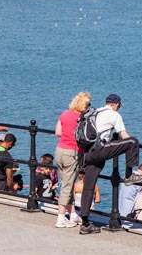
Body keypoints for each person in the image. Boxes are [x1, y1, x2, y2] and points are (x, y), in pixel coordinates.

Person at [80, 94, 142, 235]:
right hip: (100, 150)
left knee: (88, 186)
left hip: (88, 153)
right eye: (119, 106)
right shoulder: (115, 115)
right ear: (115, 104)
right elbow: (124, 136)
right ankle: (129, 176)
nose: (119, 108)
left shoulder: (95, 112)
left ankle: (85, 223)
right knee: (133, 142)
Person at [54, 91, 91, 228]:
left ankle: (73, 213)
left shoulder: (64, 114)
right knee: (67, 186)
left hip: (60, 150)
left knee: (65, 182)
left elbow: (58, 132)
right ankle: (61, 217)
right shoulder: (82, 118)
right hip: (73, 153)